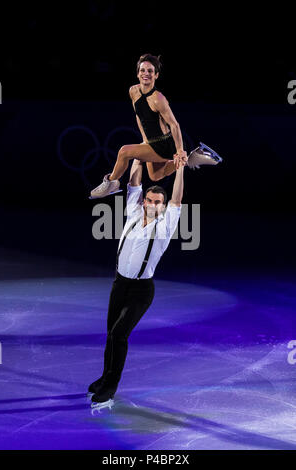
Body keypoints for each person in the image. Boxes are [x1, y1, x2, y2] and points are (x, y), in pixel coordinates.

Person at [88, 156, 185, 412]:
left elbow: (177, 200)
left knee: (119, 335)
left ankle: (110, 386)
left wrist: (181, 169)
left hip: (141, 291)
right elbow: (134, 183)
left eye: (158, 203)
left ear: (162, 206)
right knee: (110, 334)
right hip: (119, 284)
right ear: (144, 202)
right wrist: (141, 157)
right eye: (150, 201)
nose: (153, 205)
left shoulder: (165, 227)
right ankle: (104, 377)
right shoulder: (133, 211)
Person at [89, 53, 222, 200]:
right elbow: (139, 117)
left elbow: (174, 125)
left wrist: (179, 151)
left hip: (165, 143)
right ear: (138, 73)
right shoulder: (133, 91)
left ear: (156, 75)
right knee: (155, 176)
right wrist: (145, 139)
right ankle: (192, 158)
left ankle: (111, 183)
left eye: (150, 71)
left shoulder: (158, 99)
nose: (146, 74)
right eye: (143, 70)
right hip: (152, 142)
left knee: (124, 151)